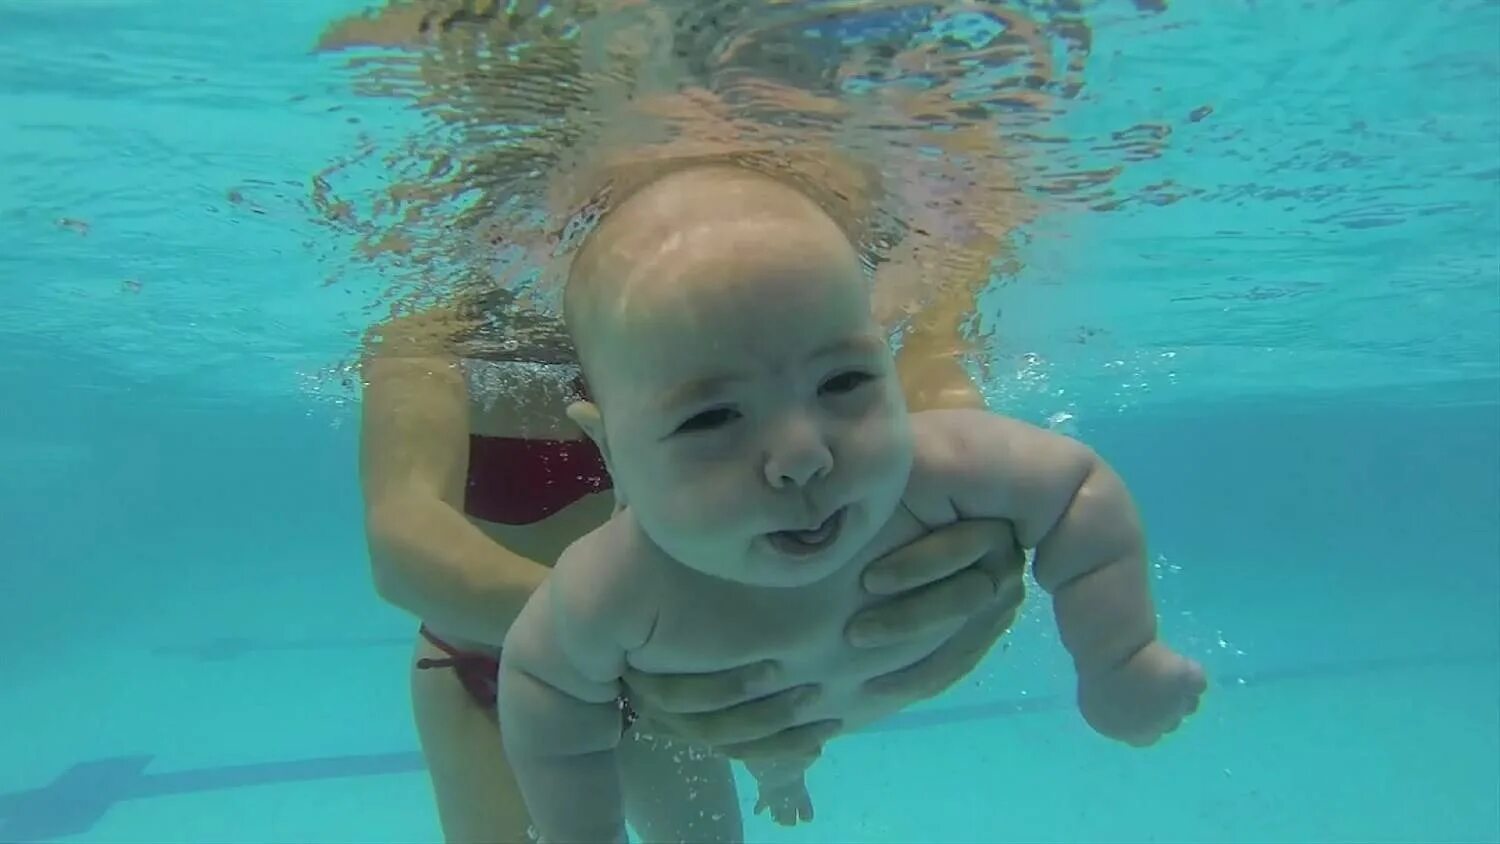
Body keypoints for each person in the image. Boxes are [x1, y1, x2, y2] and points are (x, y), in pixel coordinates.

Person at [495, 165, 1208, 843]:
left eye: (843, 382)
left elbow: (1079, 490)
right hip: (782, 722)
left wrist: (1118, 656)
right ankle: (781, 779)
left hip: (809, 698)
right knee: (778, 749)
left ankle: (781, 774)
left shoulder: (943, 472)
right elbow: (540, 692)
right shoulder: (617, 585)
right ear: (610, 448)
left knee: (782, 737)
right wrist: (580, 832)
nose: (804, 455)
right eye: (710, 419)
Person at [358, 176, 1028, 844]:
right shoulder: (439, 332)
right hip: (500, 676)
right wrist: (635, 640)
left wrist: (992, 508)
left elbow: (933, 401)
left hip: (680, 677)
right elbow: (404, 541)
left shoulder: (764, 310)